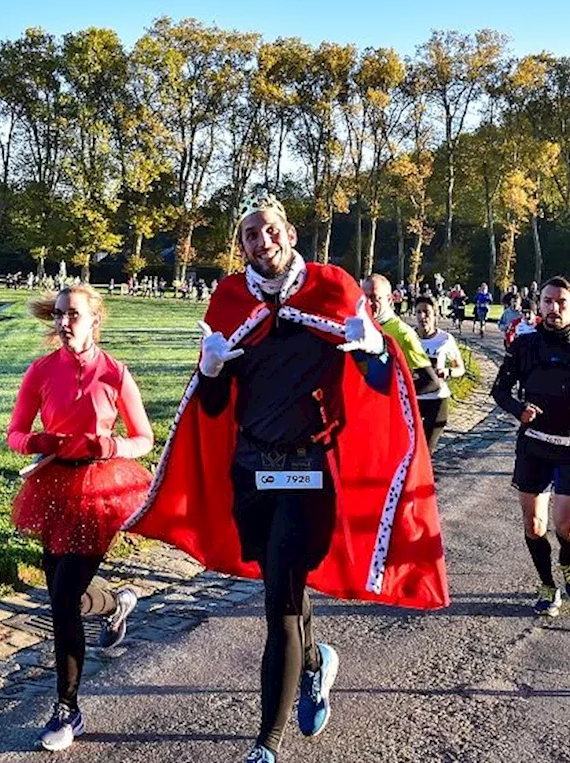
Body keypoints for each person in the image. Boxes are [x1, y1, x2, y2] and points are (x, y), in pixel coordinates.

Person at [127, 191, 448, 763]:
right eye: (250, 234)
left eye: (269, 230)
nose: (261, 241)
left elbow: (381, 384)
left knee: (278, 602)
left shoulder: (332, 288)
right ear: (242, 245)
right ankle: (318, 661)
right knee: (286, 589)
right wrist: (210, 370)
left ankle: (265, 743)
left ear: (290, 234)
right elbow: (218, 400)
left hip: (308, 470)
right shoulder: (228, 298)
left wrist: (375, 349)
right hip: (251, 470)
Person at [6, 285, 154, 751]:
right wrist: (35, 443)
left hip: (100, 489)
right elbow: (14, 432)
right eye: (60, 314)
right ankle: (116, 603)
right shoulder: (41, 371)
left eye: (74, 315)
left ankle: (68, 709)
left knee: (63, 599)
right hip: (51, 487)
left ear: (95, 321)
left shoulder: (115, 373)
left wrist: (112, 446)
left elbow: (144, 437)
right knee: (60, 590)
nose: (65, 322)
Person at [490, 277, 570, 617]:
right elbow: (500, 390)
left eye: (562, 302)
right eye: (548, 301)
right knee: (534, 525)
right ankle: (547, 585)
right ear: (539, 304)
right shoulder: (524, 345)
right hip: (534, 444)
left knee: (567, 526)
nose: (554, 308)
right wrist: (520, 410)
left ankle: (569, 561)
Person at [362, 274, 448, 451]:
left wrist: (388, 397)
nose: (369, 303)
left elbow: (430, 381)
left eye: (375, 297)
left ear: (390, 298)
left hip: (395, 416)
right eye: (365, 296)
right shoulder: (362, 326)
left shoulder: (402, 334)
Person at [415, 294, 467, 452]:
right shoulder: (408, 336)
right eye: (418, 312)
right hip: (413, 398)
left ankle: (425, 475)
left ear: (435, 315)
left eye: (427, 312)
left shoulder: (445, 339)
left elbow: (460, 368)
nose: (422, 316)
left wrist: (448, 371)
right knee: (408, 447)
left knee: (425, 450)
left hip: (437, 399)